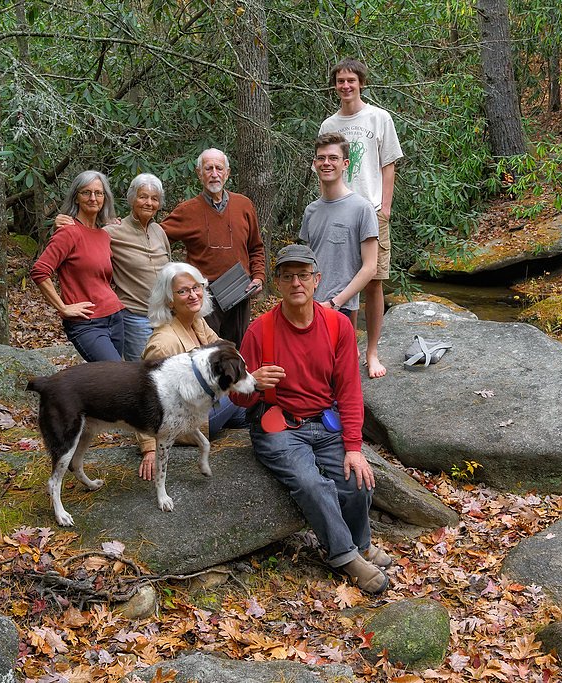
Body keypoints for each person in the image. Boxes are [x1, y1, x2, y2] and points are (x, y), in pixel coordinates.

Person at [232, 244, 391, 594]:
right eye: (287, 276)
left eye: (303, 275)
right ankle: (346, 557)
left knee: (358, 480)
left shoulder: (337, 326)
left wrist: (354, 446)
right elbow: (235, 395)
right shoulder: (261, 331)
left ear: (317, 280)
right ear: (277, 284)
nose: (296, 283)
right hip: (278, 427)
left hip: (325, 422)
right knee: (312, 484)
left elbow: (349, 390)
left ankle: (362, 543)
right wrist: (252, 382)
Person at [319, 58, 404, 379]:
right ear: (335, 85)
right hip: (339, 211)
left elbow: (388, 164)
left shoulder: (379, 118)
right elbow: (324, 169)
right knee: (343, 283)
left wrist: (386, 207)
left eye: (350, 81)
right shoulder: (329, 125)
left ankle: (372, 352)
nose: (345, 86)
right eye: (340, 81)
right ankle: (350, 349)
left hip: (371, 210)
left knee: (374, 282)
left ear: (361, 83)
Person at [136, 262, 247, 480]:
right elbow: (144, 397)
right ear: (169, 300)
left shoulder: (196, 322)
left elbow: (223, 348)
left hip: (203, 409)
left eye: (196, 287)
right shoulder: (163, 344)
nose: (193, 295)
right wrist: (149, 448)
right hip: (186, 424)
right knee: (243, 392)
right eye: (183, 291)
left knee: (251, 412)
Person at [53, 174, 172, 360]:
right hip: (135, 316)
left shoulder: (159, 232)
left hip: (165, 317)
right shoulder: (112, 232)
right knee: (140, 375)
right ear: (132, 199)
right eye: (143, 197)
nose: (149, 203)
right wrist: (60, 223)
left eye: (154, 198)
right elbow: (79, 243)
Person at [160, 148, 266, 348]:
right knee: (208, 352)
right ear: (199, 174)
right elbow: (156, 237)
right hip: (204, 295)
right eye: (208, 169)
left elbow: (256, 247)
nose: (214, 174)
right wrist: (130, 226)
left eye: (219, 168)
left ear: (227, 173)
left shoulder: (244, 205)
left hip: (239, 292)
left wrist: (258, 276)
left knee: (237, 350)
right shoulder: (187, 210)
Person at [31, 170, 125, 362]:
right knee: (115, 376)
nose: (93, 198)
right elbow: (40, 270)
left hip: (115, 317)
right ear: (76, 198)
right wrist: (63, 307)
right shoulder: (69, 232)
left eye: (98, 193)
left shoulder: (104, 235)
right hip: (87, 323)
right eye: (86, 192)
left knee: (114, 382)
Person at [300, 132, 378, 324]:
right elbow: (308, 261)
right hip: (310, 304)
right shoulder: (311, 211)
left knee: (342, 355)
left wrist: (335, 302)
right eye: (321, 158)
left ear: (345, 164)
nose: (326, 163)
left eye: (333, 158)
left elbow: (370, 268)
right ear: (315, 163)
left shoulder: (362, 208)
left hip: (342, 308)